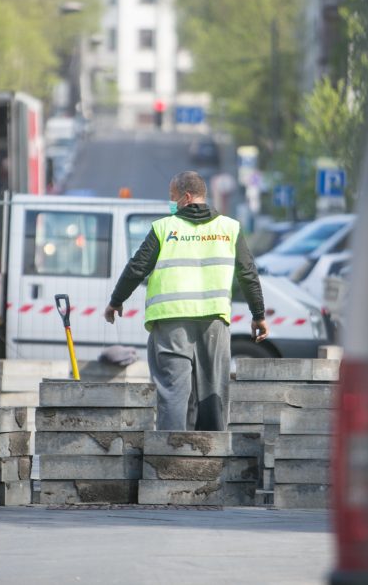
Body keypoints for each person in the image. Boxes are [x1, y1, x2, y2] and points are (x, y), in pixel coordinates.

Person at [104, 171, 268, 431]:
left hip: (172, 323)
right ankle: (211, 460)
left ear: (187, 197)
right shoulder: (229, 228)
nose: (171, 203)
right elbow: (248, 273)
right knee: (213, 392)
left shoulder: (164, 229)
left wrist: (116, 301)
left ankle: (170, 460)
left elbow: (137, 267)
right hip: (214, 322)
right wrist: (258, 315)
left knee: (173, 392)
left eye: (173, 197)